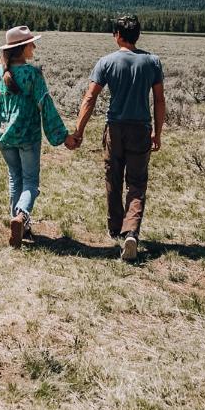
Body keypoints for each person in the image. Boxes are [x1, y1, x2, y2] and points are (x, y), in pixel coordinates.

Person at [0, 25, 79, 248]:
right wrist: (63, 137)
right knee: (31, 182)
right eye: (31, 43)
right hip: (27, 137)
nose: (34, 46)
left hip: (4, 137)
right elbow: (46, 106)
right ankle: (21, 216)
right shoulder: (33, 74)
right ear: (22, 49)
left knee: (15, 178)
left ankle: (21, 225)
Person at [73, 15, 165, 261]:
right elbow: (158, 100)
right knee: (136, 182)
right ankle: (131, 232)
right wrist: (158, 131)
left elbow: (90, 98)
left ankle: (115, 226)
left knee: (113, 176)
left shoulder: (106, 62)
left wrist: (79, 131)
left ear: (118, 35)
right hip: (141, 129)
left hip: (115, 129)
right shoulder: (152, 62)